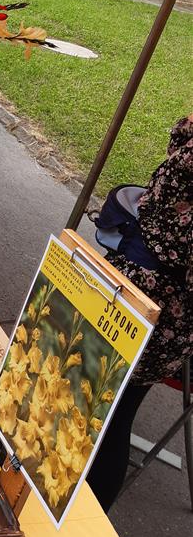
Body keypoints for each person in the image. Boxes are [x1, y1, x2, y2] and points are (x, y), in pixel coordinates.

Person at [87, 115, 192, 511]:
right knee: (98, 398)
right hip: (144, 295)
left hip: (159, 314)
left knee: (111, 412)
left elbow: (168, 204)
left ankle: (86, 524)